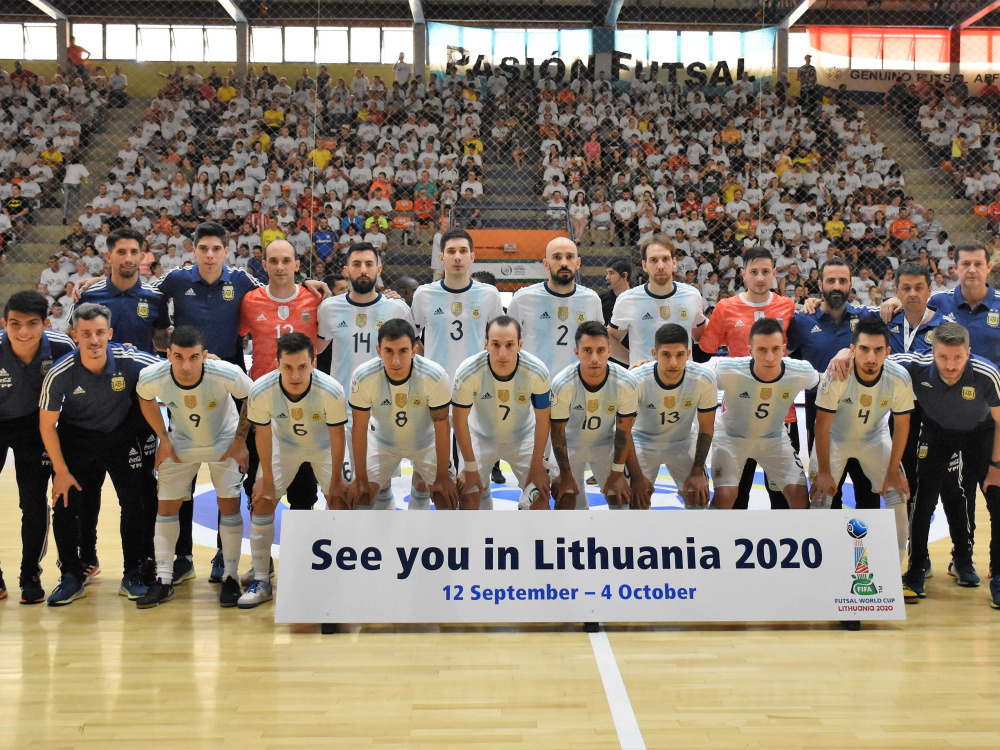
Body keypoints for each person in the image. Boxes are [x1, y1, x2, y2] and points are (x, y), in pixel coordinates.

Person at [38, 303, 161, 606]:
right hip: (76, 437)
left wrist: (206, 359)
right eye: (86, 334)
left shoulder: (130, 360)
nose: (94, 340)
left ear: (110, 334)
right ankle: (71, 574)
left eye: (99, 333)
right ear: (74, 335)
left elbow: (173, 368)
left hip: (119, 435)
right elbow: (47, 424)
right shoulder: (61, 372)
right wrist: (61, 470)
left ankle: (132, 572)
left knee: (134, 503)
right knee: (65, 501)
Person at [134, 326, 253, 609]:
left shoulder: (226, 372)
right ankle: (163, 580)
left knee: (229, 507)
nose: (186, 366)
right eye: (178, 357)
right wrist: (162, 439)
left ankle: (230, 577)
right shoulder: (152, 375)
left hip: (223, 441)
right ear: (168, 354)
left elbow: (253, 396)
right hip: (180, 442)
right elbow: (144, 398)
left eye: (193, 357)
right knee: (166, 507)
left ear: (205, 355)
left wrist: (239, 440)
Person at [891, 323, 1000, 607]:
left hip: (980, 433)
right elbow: (875, 358)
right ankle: (915, 571)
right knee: (923, 498)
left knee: (996, 499)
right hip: (937, 432)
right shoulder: (915, 364)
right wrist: (844, 352)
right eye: (943, 357)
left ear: (969, 353)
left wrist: (996, 466)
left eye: (958, 357)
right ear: (932, 353)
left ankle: (991, 574)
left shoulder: (987, 374)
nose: (950, 365)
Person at [242, 333, 348, 608]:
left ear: (313, 363)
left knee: (340, 500)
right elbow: (262, 436)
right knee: (262, 500)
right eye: (288, 367)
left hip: (323, 447)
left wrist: (336, 481)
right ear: (277, 364)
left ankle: (337, 572)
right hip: (284, 446)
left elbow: (338, 437)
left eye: (302, 367)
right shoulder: (261, 390)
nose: (296, 374)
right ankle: (262, 578)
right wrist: (265, 479)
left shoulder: (331, 390)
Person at [810, 317, 914, 571]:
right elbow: (821, 426)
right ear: (853, 350)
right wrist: (824, 473)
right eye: (864, 349)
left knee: (898, 495)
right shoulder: (837, 375)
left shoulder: (899, 377)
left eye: (878, 350)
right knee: (819, 497)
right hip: (835, 438)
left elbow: (902, 427)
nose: (871, 357)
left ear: (888, 352)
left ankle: (893, 568)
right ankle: (819, 568)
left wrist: (892, 472)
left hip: (874, 438)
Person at [697, 247, 797, 510]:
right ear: (743, 274)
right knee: (737, 497)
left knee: (783, 498)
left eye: (766, 272)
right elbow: (704, 349)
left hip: (781, 416)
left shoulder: (788, 306)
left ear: (775, 274)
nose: (760, 278)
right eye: (754, 272)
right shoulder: (725, 307)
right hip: (738, 418)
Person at [0, 292, 76, 603]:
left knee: (32, 503)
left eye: (32, 324)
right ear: (4, 324)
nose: (23, 332)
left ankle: (29, 571)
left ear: (46, 323)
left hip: (37, 427)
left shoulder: (61, 348)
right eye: (14, 324)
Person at [317, 243, 412, 482]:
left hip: (385, 411)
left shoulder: (397, 308)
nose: (363, 270)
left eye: (369, 264)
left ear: (379, 269)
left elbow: (414, 357)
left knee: (381, 488)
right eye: (357, 264)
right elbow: (316, 351)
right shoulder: (329, 308)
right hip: (342, 412)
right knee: (341, 488)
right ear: (346, 270)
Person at [346, 319, 459, 511]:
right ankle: (383, 528)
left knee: (446, 498)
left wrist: (442, 477)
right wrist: (361, 479)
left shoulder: (434, 375)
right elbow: (359, 428)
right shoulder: (363, 376)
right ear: (378, 350)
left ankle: (420, 531)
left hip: (426, 442)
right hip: (382, 442)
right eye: (388, 351)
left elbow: (442, 427)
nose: (396, 360)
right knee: (361, 497)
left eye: (403, 351)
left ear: (414, 350)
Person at [709, 318, 820, 510]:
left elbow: (827, 379)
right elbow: (689, 376)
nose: (769, 357)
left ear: (784, 349)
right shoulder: (728, 369)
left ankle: (798, 538)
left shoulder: (801, 371)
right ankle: (711, 538)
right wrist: (646, 368)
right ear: (750, 350)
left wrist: (844, 359)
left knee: (799, 494)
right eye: (762, 350)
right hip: (732, 437)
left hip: (774, 438)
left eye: (775, 349)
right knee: (726, 497)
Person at [452, 316, 552, 510]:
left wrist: (538, 465)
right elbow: (459, 421)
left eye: (509, 345)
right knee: (468, 497)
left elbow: (543, 419)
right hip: (480, 437)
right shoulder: (468, 371)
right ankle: (482, 495)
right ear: (486, 344)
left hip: (524, 438)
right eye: (496, 345)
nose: (502, 353)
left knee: (540, 500)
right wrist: (470, 468)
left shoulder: (537, 371)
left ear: (520, 345)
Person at [549, 321, 638, 509]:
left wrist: (617, 473)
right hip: (569, 444)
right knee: (566, 498)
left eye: (600, 350)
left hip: (605, 444)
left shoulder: (626, 382)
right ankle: (573, 536)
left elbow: (624, 432)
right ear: (576, 352)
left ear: (609, 351)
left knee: (621, 497)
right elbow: (557, 434)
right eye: (587, 350)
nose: (595, 358)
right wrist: (565, 476)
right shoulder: (563, 384)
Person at [628, 324, 717, 510]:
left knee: (698, 497)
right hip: (642, 442)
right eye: (666, 354)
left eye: (680, 355)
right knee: (635, 501)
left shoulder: (704, 378)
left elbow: (706, 428)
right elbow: (623, 431)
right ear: (654, 353)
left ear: (688, 353)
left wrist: (698, 471)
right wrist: (636, 477)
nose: (673, 362)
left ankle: (691, 538)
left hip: (683, 441)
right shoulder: (636, 378)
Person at [506, 237, 604, 379]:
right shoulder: (522, 299)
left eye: (569, 257)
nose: (564, 263)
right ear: (546, 264)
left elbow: (599, 344)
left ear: (578, 263)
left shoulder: (592, 299)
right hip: (533, 387)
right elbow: (508, 345)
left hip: (578, 386)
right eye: (557, 257)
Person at [609, 234, 706, 365]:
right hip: (643, 381)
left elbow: (701, 336)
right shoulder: (627, 300)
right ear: (644, 265)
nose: (660, 266)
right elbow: (609, 338)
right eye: (653, 260)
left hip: (683, 380)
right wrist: (631, 360)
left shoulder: (692, 295)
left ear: (673, 262)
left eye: (665, 259)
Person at [79, 228, 168, 354]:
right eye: (121, 252)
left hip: (143, 372)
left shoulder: (156, 297)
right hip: (97, 372)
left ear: (142, 257)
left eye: (134, 252)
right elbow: (74, 339)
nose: (128, 259)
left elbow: (162, 344)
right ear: (108, 257)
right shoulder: (87, 295)